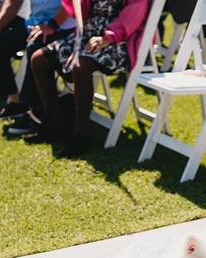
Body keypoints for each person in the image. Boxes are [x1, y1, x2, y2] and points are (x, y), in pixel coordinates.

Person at [28, 0, 150, 157]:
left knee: (80, 65)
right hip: (88, 33)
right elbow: (77, 7)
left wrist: (107, 37)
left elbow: (134, 15)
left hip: (120, 40)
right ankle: (54, 122)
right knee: (39, 59)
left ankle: (81, 134)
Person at [0, 0, 73, 124]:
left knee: (35, 47)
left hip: (66, 26)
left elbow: (72, 3)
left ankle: (34, 112)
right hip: (36, 23)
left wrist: (51, 25)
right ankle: (15, 102)